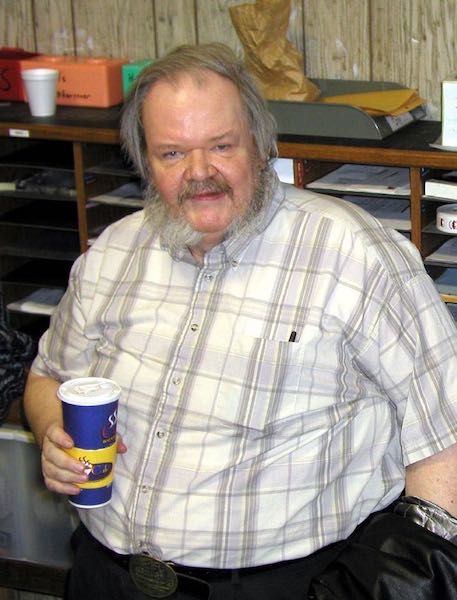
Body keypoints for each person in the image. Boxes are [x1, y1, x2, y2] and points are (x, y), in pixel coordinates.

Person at [24, 42, 457, 600]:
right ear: (144, 160)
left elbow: (447, 438)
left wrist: (386, 589)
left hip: (288, 585)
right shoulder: (114, 251)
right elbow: (48, 376)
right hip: (106, 575)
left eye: (221, 146)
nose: (200, 173)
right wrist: (50, 434)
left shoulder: (355, 254)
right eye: (172, 154)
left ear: (260, 144)